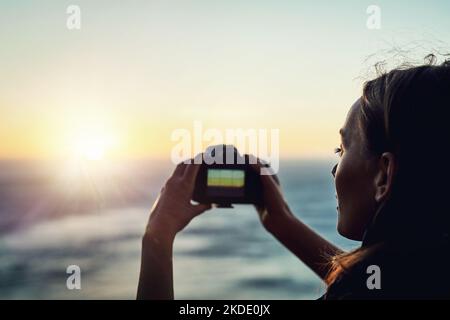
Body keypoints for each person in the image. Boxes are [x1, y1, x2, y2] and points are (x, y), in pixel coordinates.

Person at [137, 57, 450, 300]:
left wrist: (157, 238)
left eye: (341, 149)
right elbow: (377, 284)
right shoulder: (430, 272)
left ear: (383, 175)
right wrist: (282, 221)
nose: (334, 168)